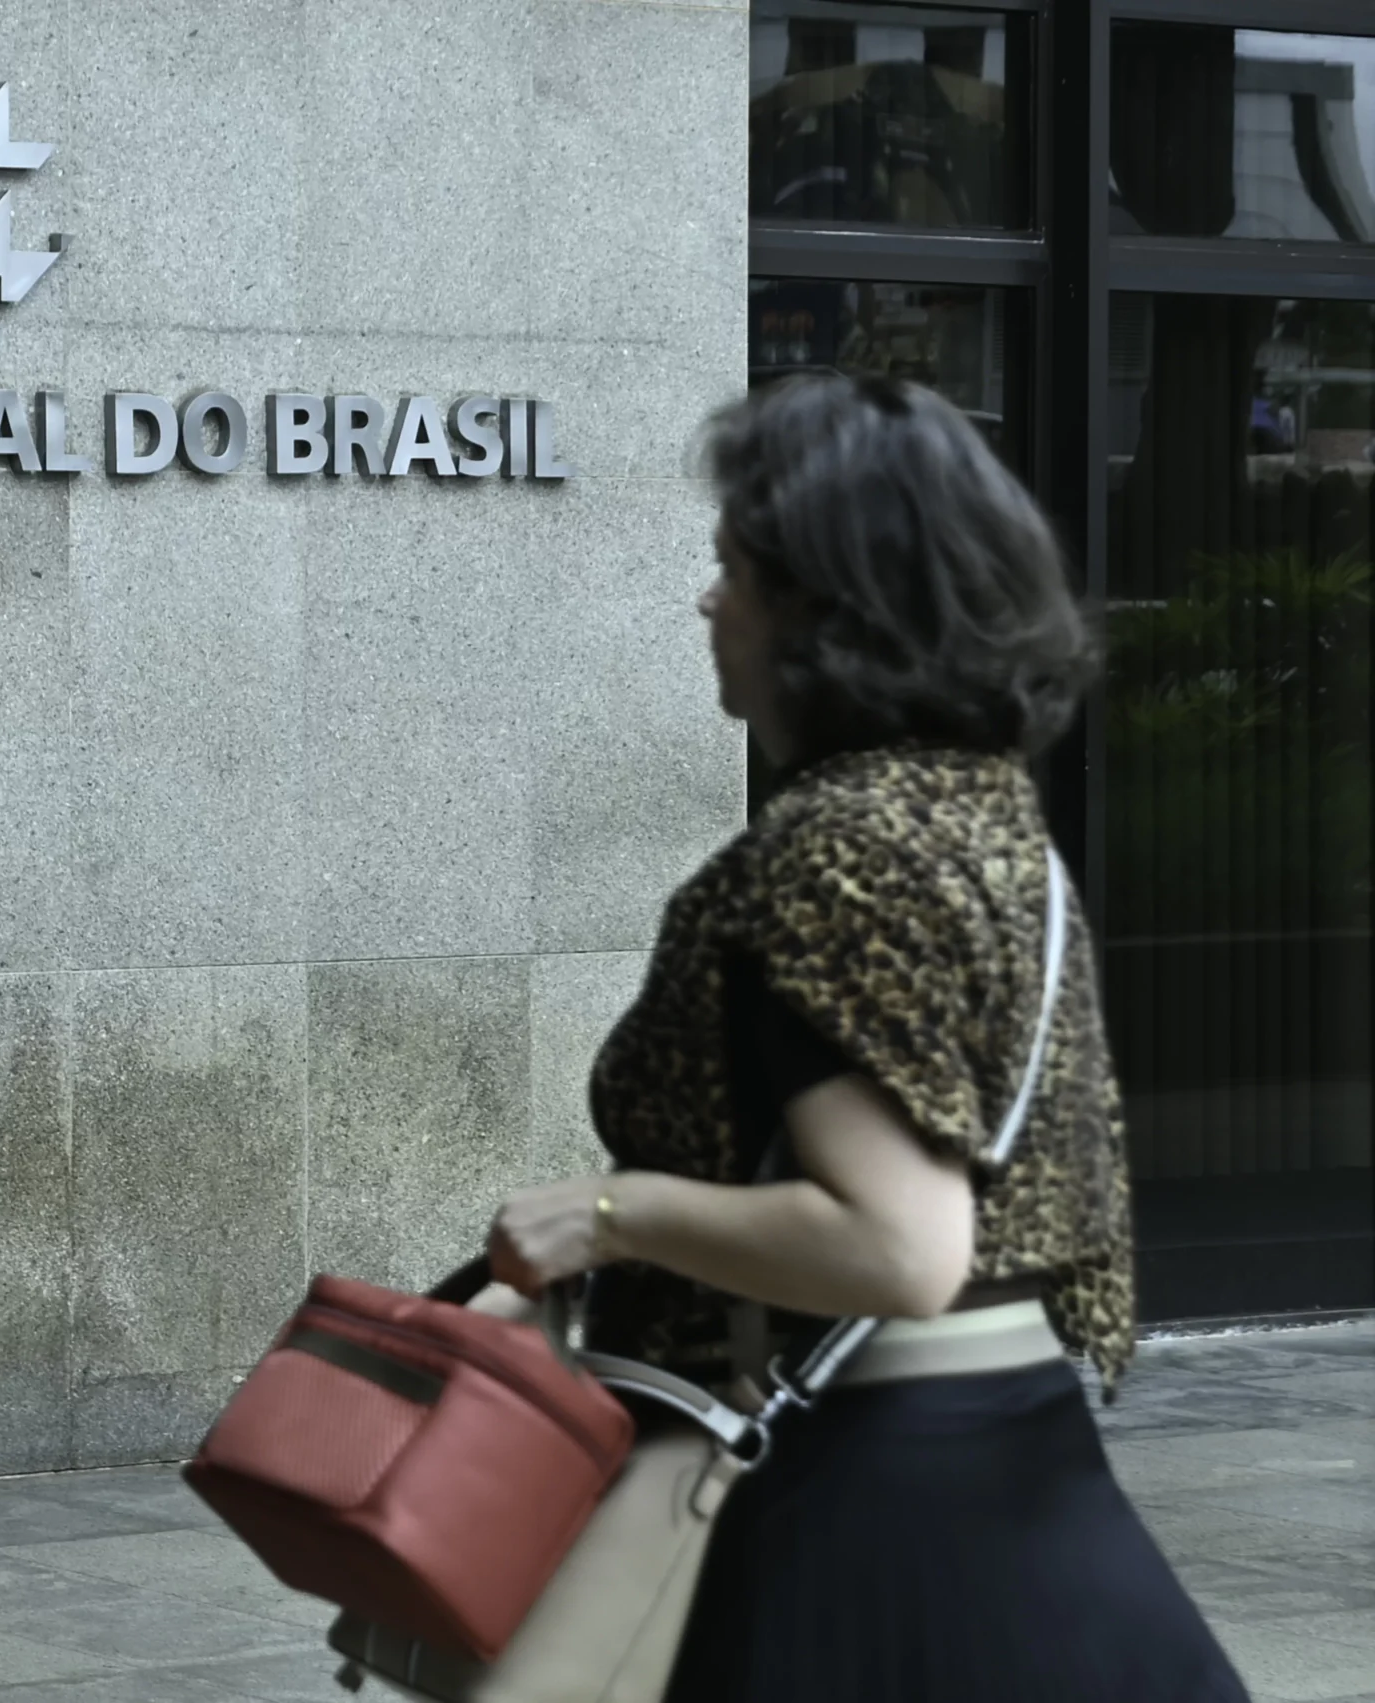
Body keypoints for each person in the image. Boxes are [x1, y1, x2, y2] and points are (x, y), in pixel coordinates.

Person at [482, 375, 1248, 1702]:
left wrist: (606, 1216)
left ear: (824, 609)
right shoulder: (987, 822)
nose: (707, 602)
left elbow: (900, 1243)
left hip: (865, 1502)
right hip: (1017, 1470)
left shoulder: (836, 852)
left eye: (734, 569)